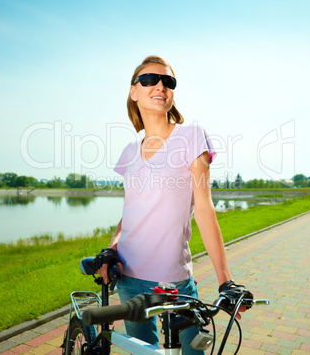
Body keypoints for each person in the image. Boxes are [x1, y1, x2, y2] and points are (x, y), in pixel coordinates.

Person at [94, 55, 246, 354]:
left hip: (175, 282)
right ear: (134, 91)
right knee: (143, 351)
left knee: (192, 351)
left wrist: (225, 281)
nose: (160, 85)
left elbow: (204, 209)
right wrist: (112, 248)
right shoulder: (129, 151)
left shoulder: (191, 136)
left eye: (168, 81)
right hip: (129, 279)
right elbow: (129, 215)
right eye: (149, 79)